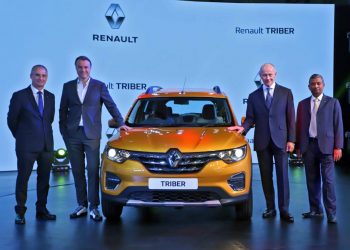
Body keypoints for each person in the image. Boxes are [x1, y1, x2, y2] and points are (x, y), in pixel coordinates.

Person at [59, 56, 127, 221]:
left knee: (92, 170)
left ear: (91, 68)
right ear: (76, 68)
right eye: (80, 67)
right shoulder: (67, 87)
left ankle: (94, 207)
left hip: (92, 135)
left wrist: (121, 123)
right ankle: (81, 205)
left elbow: (111, 105)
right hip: (73, 135)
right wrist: (64, 132)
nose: (83, 70)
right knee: (77, 171)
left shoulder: (99, 86)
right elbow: (62, 110)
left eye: (86, 67)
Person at [230, 63, 295, 223]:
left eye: (270, 75)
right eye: (264, 75)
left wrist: (292, 140)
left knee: (283, 178)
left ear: (275, 74)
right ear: (260, 76)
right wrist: (243, 129)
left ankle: (284, 210)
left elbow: (291, 119)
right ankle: (270, 208)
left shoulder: (286, 93)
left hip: (281, 141)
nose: (267, 78)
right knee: (266, 177)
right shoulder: (253, 96)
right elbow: (250, 118)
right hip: (262, 141)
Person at [7, 65, 56, 225]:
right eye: (37, 75)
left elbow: (49, 120)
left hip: (46, 146)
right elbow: (11, 120)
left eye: (43, 76)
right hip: (26, 146)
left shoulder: (50, 97)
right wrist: (21, 137)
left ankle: (41, 210)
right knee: (23, 179)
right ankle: (20, 212)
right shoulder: (19, 96)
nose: (41, 78)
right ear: (31, 76)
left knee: (44, 180)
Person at [296, 74, 343, 224]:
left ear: (323, 85)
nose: (316, 86)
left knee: (328, 182)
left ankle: (331, 213)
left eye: (318, 83)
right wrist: (298, 146)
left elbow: (338, 125)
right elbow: (299, 127)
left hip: (327, 147)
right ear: (308, 86)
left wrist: (338, 147)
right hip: (308, 146)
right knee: (312, 180)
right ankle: (316, 210)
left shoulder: (333, 102)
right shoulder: (302, 104)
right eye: (313, 84)